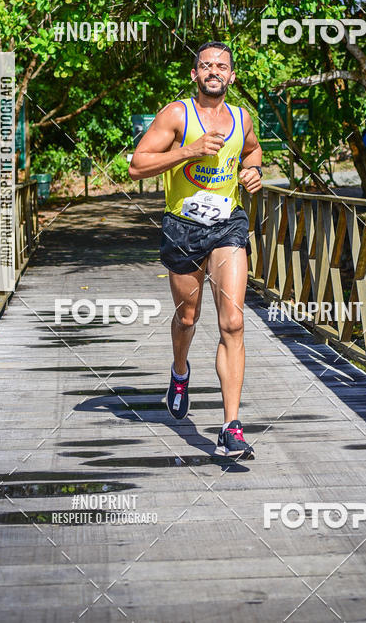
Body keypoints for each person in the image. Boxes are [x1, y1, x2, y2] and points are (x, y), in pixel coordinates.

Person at [128, 42, 263, 459]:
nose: (213, 71)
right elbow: (136, 165)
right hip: (183, 228)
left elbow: (254, 149)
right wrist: (189, 150)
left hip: (227, 226)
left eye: (221, 66)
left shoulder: (242, 118)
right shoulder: (176, 114)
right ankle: (180, 371)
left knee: (234, 322)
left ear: (232, 76)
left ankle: (230, 427)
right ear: (194, 74)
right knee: (188, 316)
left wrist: (252, 170)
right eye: (206, 65)